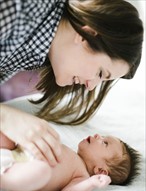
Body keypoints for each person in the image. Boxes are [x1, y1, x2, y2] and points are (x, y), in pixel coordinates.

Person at [0, 1, 144, 165]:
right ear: (87, 35)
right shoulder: (21, 7)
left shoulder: (38, 52)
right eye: (100, 73)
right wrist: (7, 117)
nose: (91, 86)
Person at [0, 131, 141, 191]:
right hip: (12, 154)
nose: (98, 135)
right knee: (7, 132)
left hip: (18, 176)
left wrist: (91, 184)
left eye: (104, 143)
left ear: (101, 171)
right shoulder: (71, 153)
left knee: (42, 171)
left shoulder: (81, 175)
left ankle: (3, 182)